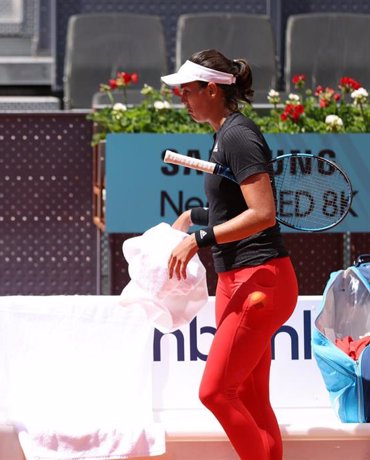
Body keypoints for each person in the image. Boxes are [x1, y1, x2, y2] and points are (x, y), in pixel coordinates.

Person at [161, 50, 298, 460]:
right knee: (253, 401)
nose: (181, 99)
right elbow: (235, 208)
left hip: (260, 282)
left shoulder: (238, 136)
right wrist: (192, 216)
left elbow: (262, 213)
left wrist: (200, 239)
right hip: (237, 279)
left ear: (212, 89)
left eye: (187, 91)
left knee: (216, 392)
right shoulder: (223, 135)